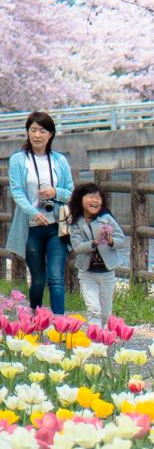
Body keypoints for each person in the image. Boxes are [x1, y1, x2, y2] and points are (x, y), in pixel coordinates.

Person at [6, 111, 73, 314]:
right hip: (32, 228)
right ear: (27, 132)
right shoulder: (18, 160)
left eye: (42, 131)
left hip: (57, 227)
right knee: (38, 281)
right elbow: (16, 191)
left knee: (56, 278)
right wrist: (32, 212)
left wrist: (55, 192)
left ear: (50, 134)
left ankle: (60, 325)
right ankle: (35, 319)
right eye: (33, 130)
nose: (37, 135)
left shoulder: (59, 160)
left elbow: (69, 191)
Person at [68, 182, 127, 324]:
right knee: (93, 309)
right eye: (91, 197)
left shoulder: (106, 218)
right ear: (80, 199)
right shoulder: (76, 222)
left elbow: (121, 240)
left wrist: (110, 240)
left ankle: (103, 339)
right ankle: (95, 339)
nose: (95, 201)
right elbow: (77, 246)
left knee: (105, 313)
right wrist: (94, 243)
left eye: (98, 198)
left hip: (107, 272)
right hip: (87, 272)